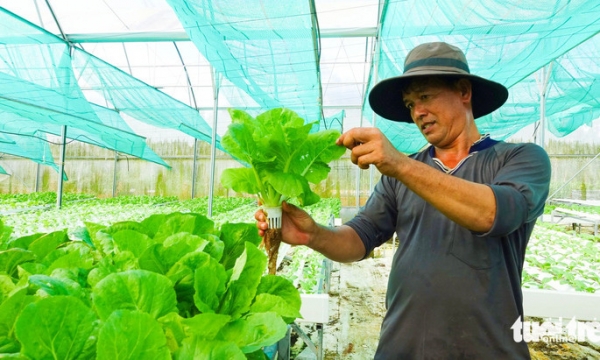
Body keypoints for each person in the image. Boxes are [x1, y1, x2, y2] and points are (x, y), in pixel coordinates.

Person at [255, 41, 551, 359]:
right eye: (410, 104)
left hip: (487, 348)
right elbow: (360, 237)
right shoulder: (402, 175)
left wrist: (400, 164)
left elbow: (495, 213)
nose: (417, 112)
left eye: (425, 96)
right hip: (403, 347)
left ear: (464, 91)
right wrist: (311, 234)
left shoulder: (520, 158)